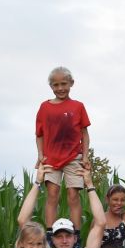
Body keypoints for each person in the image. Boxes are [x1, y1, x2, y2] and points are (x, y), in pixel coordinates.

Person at [34, 65, 92, 229]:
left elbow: (84, 134)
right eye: (56, 85)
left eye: (64, 84)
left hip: (73, 156)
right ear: (51, 86)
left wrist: (85, 156)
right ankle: (50, 233)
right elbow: (39, 134)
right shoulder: (45, 107)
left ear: (71, 83)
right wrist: (40, 155)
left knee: (73, 196)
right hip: (51, 158)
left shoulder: (78, 106)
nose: (60, 88)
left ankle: (76, 236)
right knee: (52, 195)